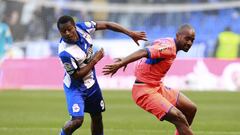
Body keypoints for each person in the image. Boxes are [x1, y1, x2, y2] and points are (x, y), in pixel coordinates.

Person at [57, 15, 147, 135]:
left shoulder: (83, 28)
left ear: (74, 26)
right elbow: (76, 76)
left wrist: (130, 33)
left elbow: (107, 25)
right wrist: (95, 60)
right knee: (77, 121)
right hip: (75, 88)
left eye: (69, 29)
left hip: (91, 83)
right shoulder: (65, 53)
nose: (67, 33)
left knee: (97, 116)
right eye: (63, 31)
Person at [103, 24, 197, 135]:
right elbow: (144, 51)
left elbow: (149, 46)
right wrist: (121, 63)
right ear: (178, 36)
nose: (189, 43)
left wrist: (125, 59)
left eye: (192, 40)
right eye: (187, 39)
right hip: (144, 91)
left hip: (157, 86)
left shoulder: (168, 41)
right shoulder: (169, 48)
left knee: (191, 108)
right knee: (179, 117)